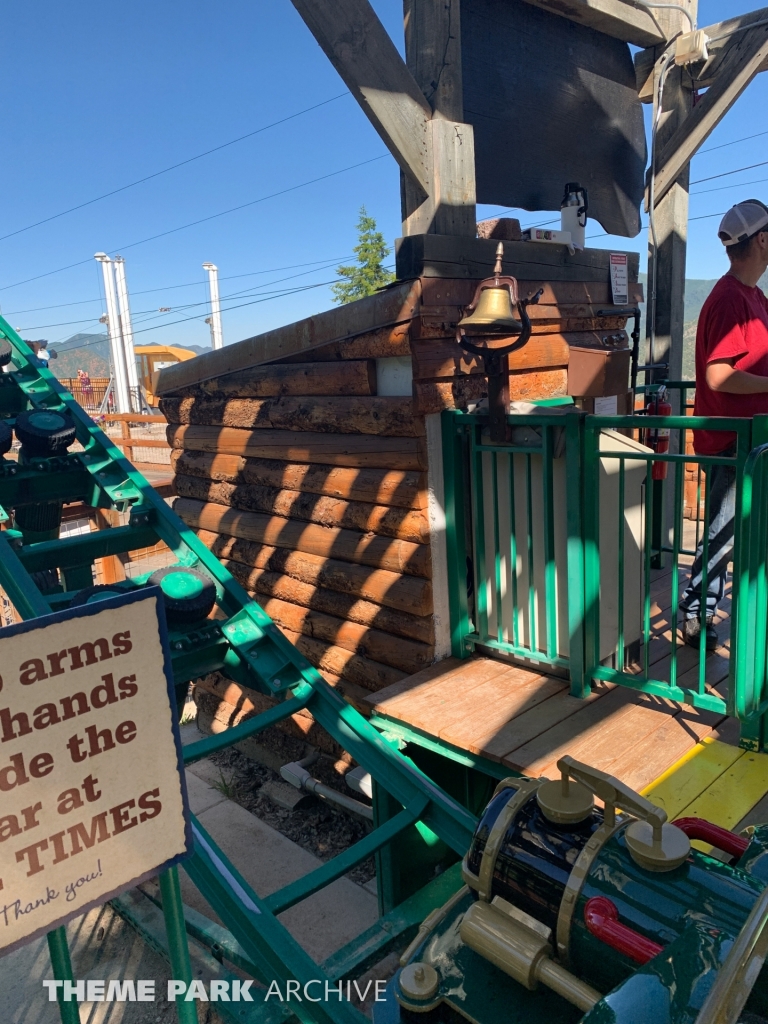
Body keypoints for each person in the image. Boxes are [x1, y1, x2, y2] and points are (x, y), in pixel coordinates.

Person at [679, 199, 768, 650]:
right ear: (762, 240)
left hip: (748, 438)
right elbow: (718, 374)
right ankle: (696, 614)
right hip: (731, 440)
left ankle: (703, 608)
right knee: (723, 532)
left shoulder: (752, 296)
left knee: (732, 531)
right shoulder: (733, 298)